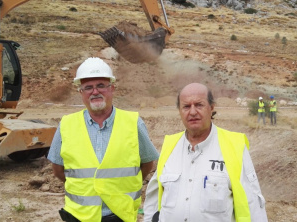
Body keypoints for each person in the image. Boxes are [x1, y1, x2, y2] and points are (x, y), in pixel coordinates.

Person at [47, 57, 159, 222]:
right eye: (88, 87)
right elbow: (58, 170)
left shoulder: (133, 123)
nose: (95, 92)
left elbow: (148, 163)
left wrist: (125, 185)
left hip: (120, 215)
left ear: (112, 88)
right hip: (79, 217)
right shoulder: (66, 125)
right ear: (81, 92)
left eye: (101, 85)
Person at [143, 83, 268, 222]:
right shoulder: (169, 146)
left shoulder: (234, 146)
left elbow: (253, 206)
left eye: (199, 105)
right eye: (186, 106)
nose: (192, 112)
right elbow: (153, 201)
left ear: (212, 107)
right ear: (179, 110)